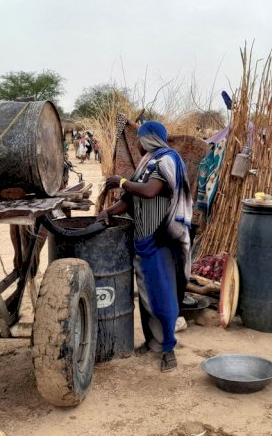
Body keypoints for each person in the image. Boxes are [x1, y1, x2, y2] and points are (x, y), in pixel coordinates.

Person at [98, 121, 192, 372]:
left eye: (139, 139)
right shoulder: (147, 162)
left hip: (161, 240)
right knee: (147, 296)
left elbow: (150, 191)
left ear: (148, 139)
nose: (137, 145)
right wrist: (109, 211)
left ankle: (168, 348)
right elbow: (131, 199)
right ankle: (153, 343)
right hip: (142, 239)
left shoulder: (168, 160)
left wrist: (121, 182)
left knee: (163, 296)